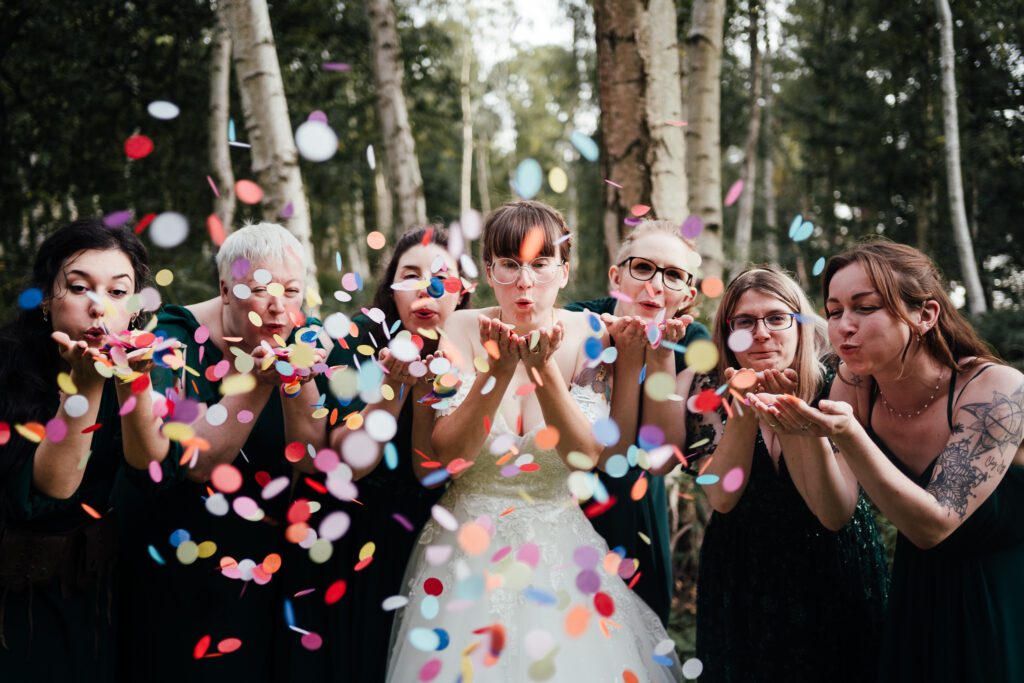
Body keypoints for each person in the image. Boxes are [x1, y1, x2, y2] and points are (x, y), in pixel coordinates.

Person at [385, 200, 681, 682]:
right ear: (489, 270)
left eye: (541, 265)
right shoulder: (457, 328)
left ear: (564, 272)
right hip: (465, 550)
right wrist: (496, 374)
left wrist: (543, 371)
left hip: (562, 553)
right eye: (510, 265)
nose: (525, 282)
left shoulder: (593, 336)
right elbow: (442, 462)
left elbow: (590, 459)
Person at [760, 240, 1024, 682]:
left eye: (864, 308)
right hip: (919, 589)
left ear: (925, 316)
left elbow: (932, 525)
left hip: (1003, 590)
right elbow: (833, 511)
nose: (844, 326)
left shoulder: (996, 389)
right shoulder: (856, 384)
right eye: (835, 310)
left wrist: (848, 434)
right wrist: (796, 433)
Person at [116, 222, 331, 682]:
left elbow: (311, 459)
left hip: (264, 565)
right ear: (225, 290)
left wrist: (301, 383)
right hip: (174, 558)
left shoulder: (301, 335)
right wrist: (259, 384)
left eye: (292, 291)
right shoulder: (171, 338)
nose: (278, 306)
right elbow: (191, 465)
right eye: (261, 289)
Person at [684, 266, 888, 682]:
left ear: (801, 326)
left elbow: (833, 513)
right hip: (742, 578)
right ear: (728, 334)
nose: (761, 333)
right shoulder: (708, 389)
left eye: (777, 318)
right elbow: (722, 498)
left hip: (833, 573)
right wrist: (743, 409)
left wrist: (790, 416)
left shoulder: (846, 383)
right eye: (745, 322)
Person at [283, 226, 469, 682]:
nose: (427, 287)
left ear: (463, 292)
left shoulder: (479, 348)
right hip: (358, 538)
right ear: (391, 289)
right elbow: (348, 465)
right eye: (411, 274)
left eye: (442, 275)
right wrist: (394, 385)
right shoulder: (356, 344)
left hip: (442, 542)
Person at [0, 219, 180, 681]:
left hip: (99, 595)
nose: (98, 307)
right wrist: (84, 390)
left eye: (118, 292)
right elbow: (52, 490)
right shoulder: (9, 366)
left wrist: (133, 384)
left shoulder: (149, 364)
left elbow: (150, 468)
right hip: (16, 601)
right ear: (44, 297)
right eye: (79, 287)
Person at [565, 219, 709, 624]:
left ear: (687, 293)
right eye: (642, 268)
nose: (655, 284)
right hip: (566, 497)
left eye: (673, 275)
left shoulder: (692, 339)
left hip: (636, 504)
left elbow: (660, 455)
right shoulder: (577, 322)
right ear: (616, 275)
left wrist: (660, 353)